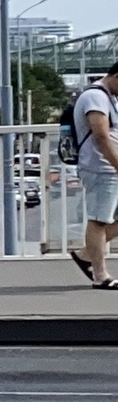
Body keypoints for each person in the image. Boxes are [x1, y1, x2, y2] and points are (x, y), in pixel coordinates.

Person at [71, 62, 118, 287]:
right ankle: (100, 276)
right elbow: (101, 136)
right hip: (101, 168)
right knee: (99, 220)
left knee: (106, 218)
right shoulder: (96, 97)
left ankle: (85, 254)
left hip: (110, 168)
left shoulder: (110, 97)